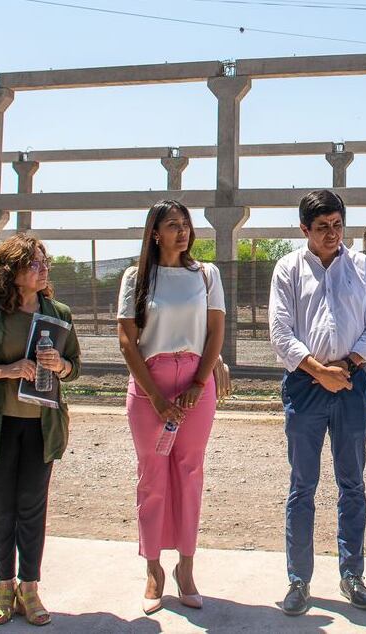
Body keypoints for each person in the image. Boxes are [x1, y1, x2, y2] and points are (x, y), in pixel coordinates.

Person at [0, 234, 81, 627]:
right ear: (12, 271)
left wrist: (59, 365)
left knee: (31, 508)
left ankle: (30, 587)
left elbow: (75, 367)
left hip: (41, 426)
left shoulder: (57, 312)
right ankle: (4, 587)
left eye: (44, 264)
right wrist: (7, 371)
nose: (43, 270)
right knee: (0, 510)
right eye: (34, 264)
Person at [268, 189, 366, 616]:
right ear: (304, 230)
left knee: (352, 483)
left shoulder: (361, 267)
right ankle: (299, 580)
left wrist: (349, 366)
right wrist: (320, 372)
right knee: (303, 486)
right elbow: (281, 334)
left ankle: (352, 573)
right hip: (305, 384)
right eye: (322, 228)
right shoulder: (288, 269)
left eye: (337, 225)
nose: (332, 234)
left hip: (353, 383)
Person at [117, 200, 225, 614]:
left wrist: (200, 382)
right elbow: (127, 341)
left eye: (186, 224)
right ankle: (153, 568)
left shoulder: (206, 274)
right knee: (152, 476)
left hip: (196, 382)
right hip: (150, 386)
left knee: (189, 472)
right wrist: (157, 399)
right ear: (154, 233)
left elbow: (215, 331)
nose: (182, 231)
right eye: (172, 225)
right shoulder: (136, 277)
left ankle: (187, 567)